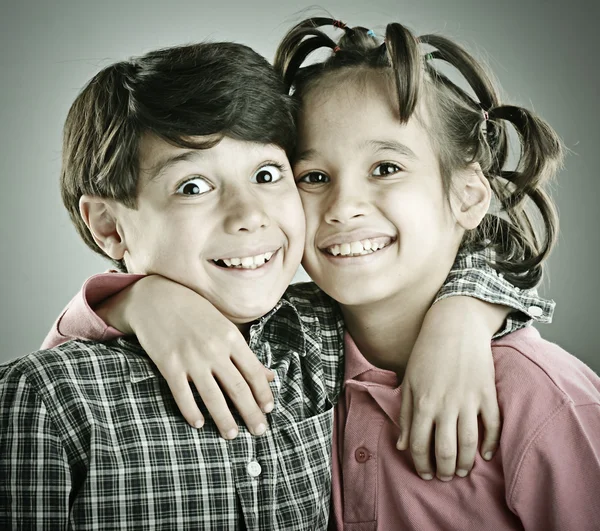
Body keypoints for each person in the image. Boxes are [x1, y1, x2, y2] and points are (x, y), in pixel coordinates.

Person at [272, 17, 599, 530]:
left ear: (467, 196)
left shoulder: (545, 399)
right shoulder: (289, 370)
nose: (343, 207)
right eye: (313, 177)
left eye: (385, 168)